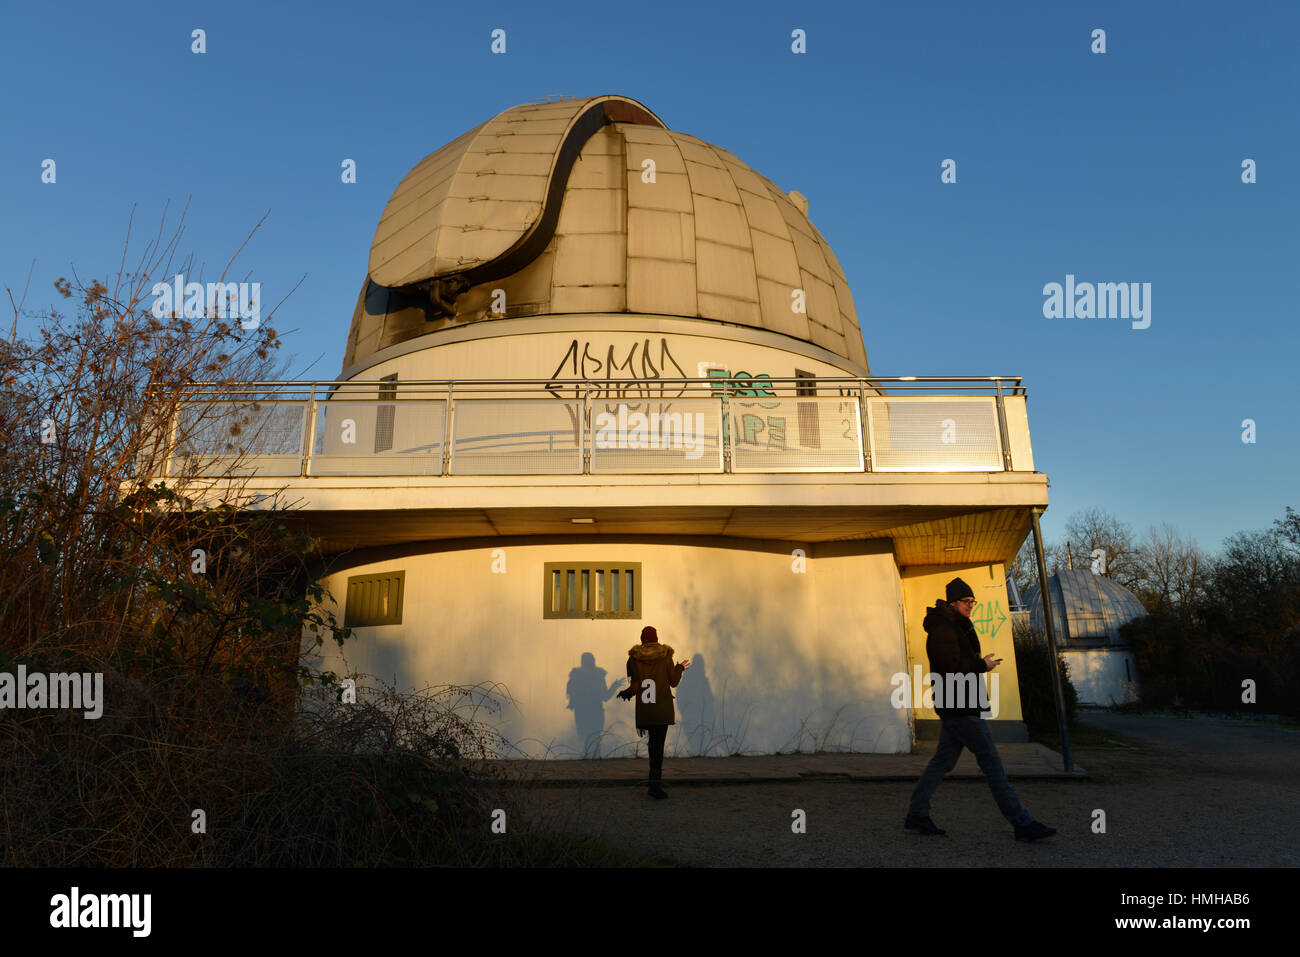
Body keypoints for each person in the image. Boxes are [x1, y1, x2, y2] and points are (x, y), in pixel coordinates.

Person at [904, 577, 1057, 841]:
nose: (970, 605)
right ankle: (1022, 822)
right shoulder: (943, 629)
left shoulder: (955, 626)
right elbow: (950, 669)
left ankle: (917, 813)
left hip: (960, 705)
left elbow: (958, 661)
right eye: (966, 601)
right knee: (992, 764)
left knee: (942, 762)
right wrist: (980, 665)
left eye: (973, 601)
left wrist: (978, 663)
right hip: (960, 706)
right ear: (952, 602)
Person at [617, 625, 689, 799]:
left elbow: (635, 687)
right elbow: (673, 681)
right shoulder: (666, 657)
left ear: (643, 639)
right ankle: (655, 785)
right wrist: (679, 668)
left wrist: (625, 693)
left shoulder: (634, 659)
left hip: (646, 711)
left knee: (651, 748)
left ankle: (653, 784)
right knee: (658, 748)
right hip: (662, 711)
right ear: (656, 638)